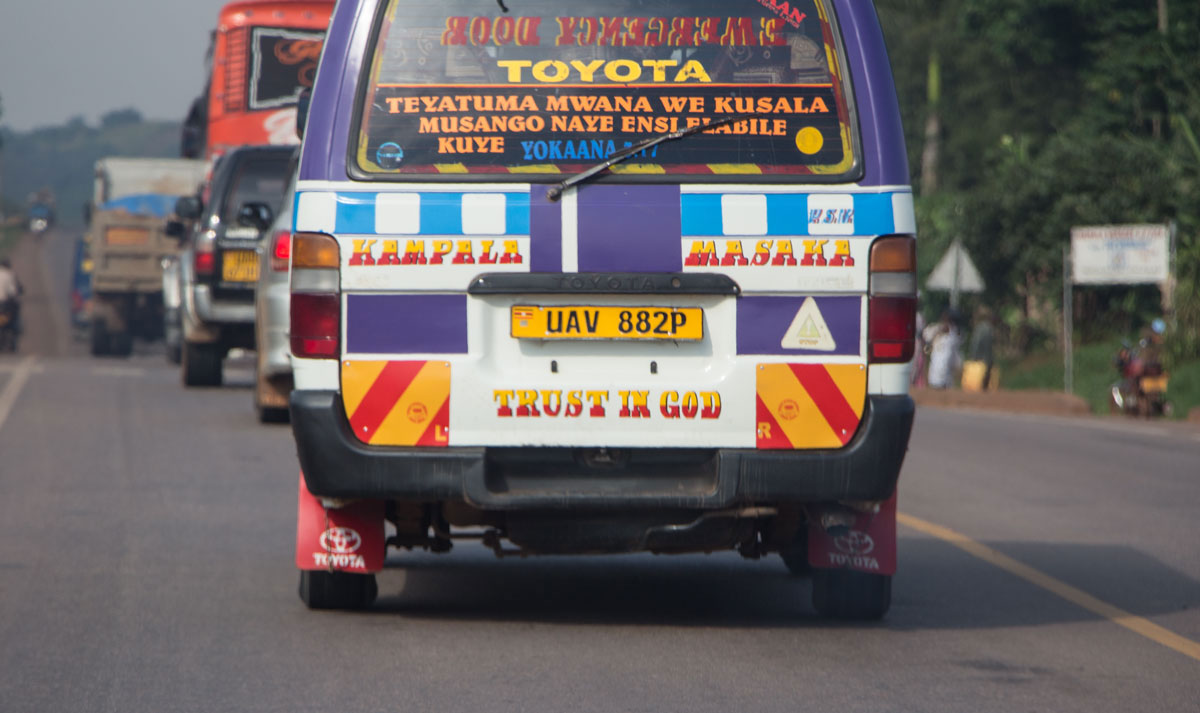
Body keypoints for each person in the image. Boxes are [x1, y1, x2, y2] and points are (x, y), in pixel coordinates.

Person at [922, 309, 961, 389]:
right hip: (935, 372)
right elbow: (926, 335)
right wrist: (938, 331)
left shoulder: (953, 335)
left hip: (947, 373)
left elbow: (954, 355)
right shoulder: (936, 329)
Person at [968, 306, 996, 390]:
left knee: (981, 376)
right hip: (985, 356)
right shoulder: (988, 328)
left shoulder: (979, 328)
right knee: (985, 375)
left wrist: (973, 355)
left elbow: (975, 343)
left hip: (980, 356)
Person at [0, 258, 22, 335]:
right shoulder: (9, 274)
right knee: (15, 310)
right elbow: (13, 291)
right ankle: (15, 328)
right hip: (5, 302)